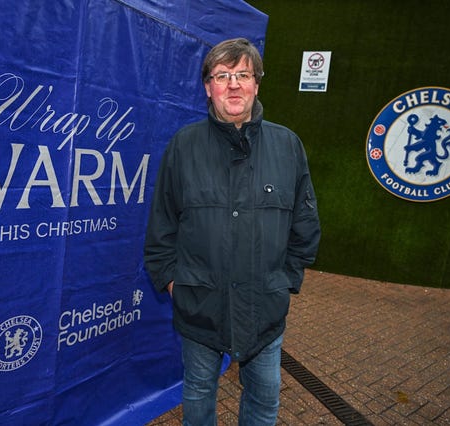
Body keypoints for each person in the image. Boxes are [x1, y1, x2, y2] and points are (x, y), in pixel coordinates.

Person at [144, 37, 321, 425]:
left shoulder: (288, 146)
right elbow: (162, 228)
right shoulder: (183, 146)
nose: (234, 84)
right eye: (222, 76)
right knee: (198, 394)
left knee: (264, 399)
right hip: (200, 310)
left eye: (243, 74)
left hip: (265, 310)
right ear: (208, 87)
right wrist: (176, 285)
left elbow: (305, 227)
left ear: (257, 83)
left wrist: (284, 281)